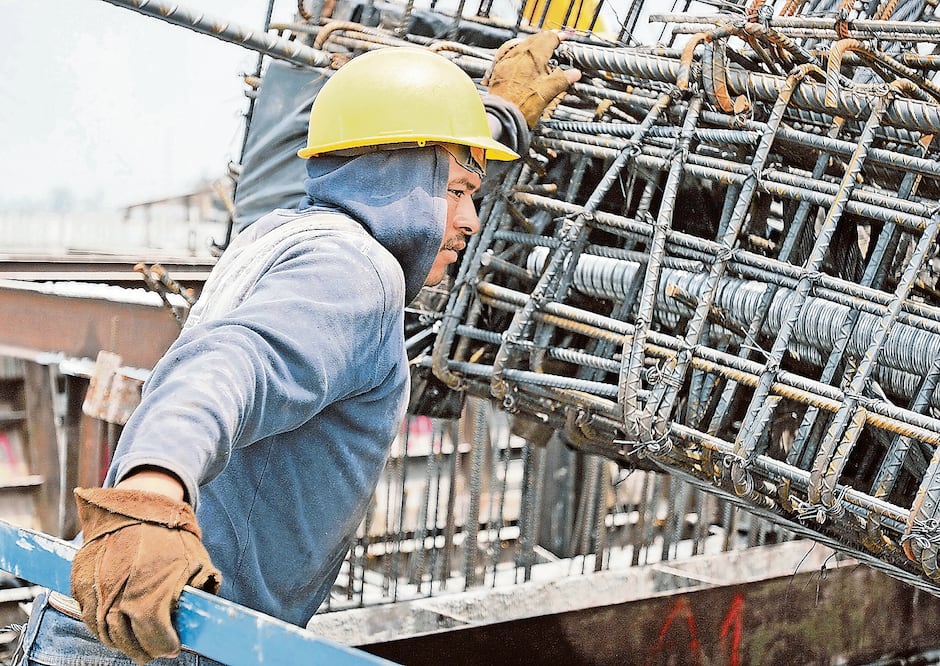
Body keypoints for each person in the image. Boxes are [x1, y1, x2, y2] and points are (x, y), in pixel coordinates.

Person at [15, 31, 579, 666]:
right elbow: (232, 364)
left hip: (116, 628)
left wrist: (493, 115)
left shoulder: (283, 232)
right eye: (453, 191)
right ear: (397, 181)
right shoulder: (355, 273)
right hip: (163, 642)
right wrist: (151, 495)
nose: (471, 220)